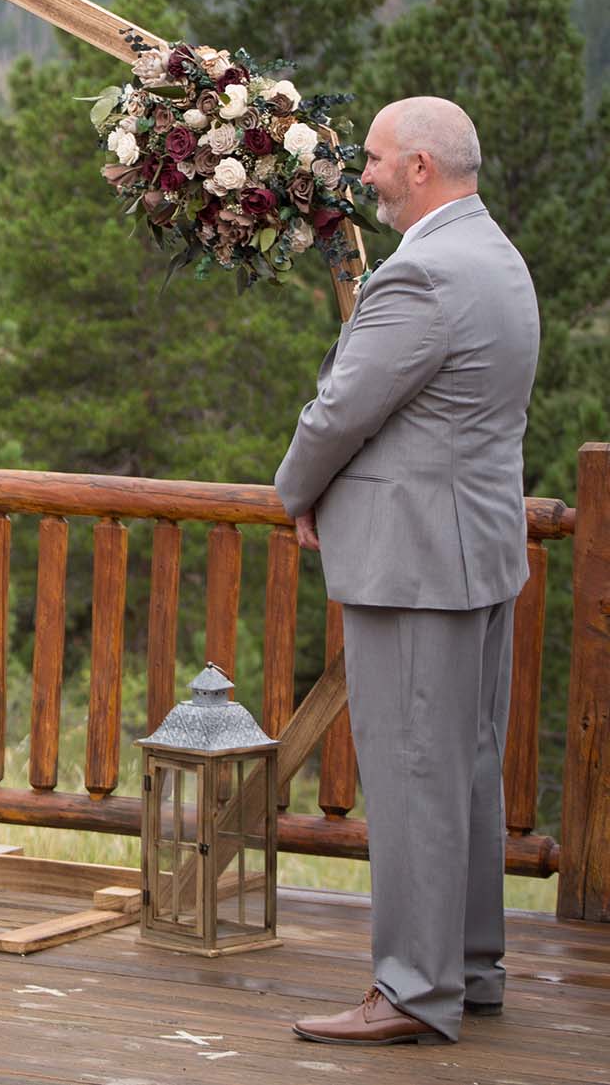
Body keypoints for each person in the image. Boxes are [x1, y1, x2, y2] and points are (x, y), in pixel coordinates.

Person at [277, 97, 538, 1046]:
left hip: (416, 561)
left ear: (421, 165)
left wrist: (294, 491)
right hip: (477, 551)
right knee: (463, 764)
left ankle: (412, 987)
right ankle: (470, 964)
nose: (368, 173)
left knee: (410, 771)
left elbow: (342, 408)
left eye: (379, 159)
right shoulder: (497, 256)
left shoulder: (422, 274)